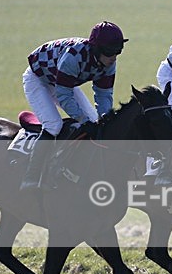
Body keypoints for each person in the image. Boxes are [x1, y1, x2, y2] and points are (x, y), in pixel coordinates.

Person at [20, 21, 127, 191]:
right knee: (54, 125)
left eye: (118, 52)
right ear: (97, 49)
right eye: (109, 52)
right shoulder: (73, 57)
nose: (114, 57)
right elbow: (64, 96)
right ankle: (31, 176)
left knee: (95, 122)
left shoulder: (108, 63)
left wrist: (105, 119)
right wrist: (82, 120)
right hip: (38, 79)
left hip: (62, 80)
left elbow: (104, 94)